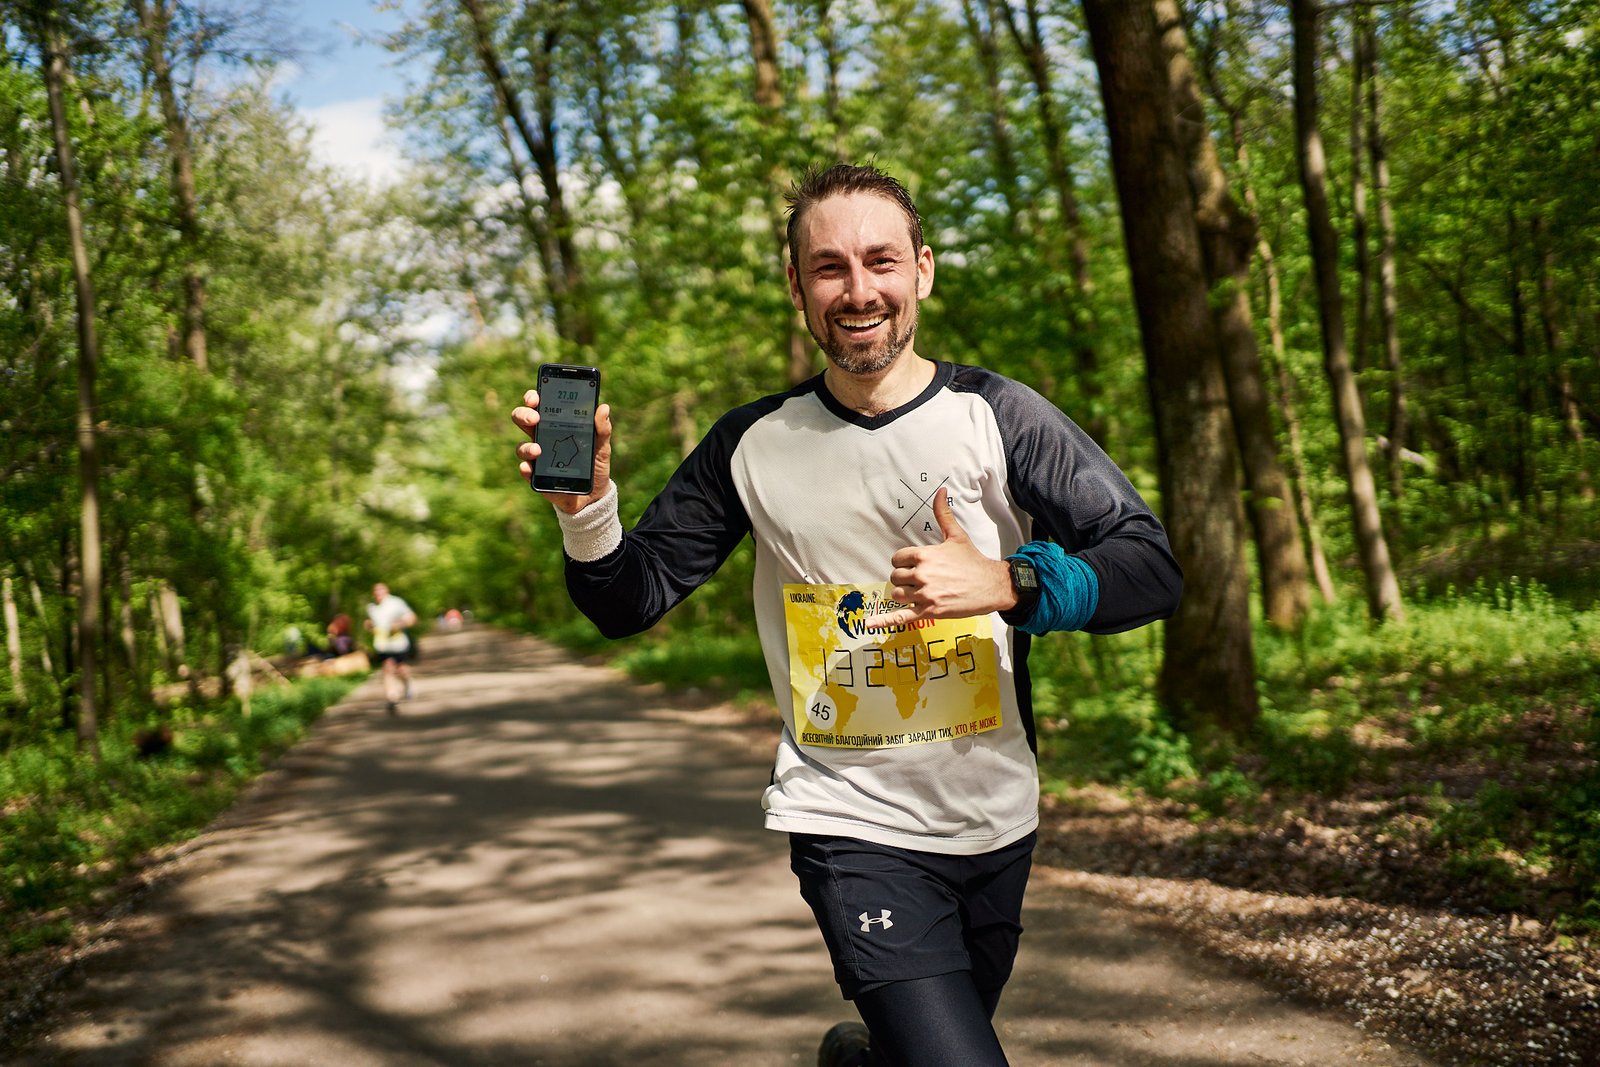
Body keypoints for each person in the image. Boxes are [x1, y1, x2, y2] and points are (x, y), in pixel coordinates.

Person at [511, 162, 1183, 1067]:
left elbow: (1150, 567)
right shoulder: (751, 443)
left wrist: (1009, 583)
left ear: (923, 271)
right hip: (848, 818)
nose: (858, 291)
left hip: (994, 814)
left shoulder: (997, 415)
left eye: (881, 261)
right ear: (797, 286)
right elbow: (629, 600)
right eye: (829, 267)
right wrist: (588, 512)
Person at [364, 584, 417, 716]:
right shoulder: (372, 607)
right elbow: (371, 625)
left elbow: (411, 618)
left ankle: (407, 683)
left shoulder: (396, 602)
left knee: (401, 669)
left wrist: (400, 624)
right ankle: (392, 699)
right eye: (376, 591)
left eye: (381, 590)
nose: (378, 593)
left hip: (398, 643)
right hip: (382, 644)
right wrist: (369, 626)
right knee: (387, 667)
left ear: (387, 591)